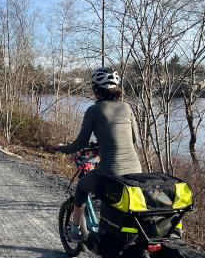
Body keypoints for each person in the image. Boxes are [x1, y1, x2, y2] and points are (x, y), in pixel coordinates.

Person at [53, 67, 142, 242]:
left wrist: (62, 148)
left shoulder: (94, 110)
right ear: (117, 88)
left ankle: (75, 231)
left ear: (96, 89)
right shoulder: (127, 107)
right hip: (135, 171)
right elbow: (134, 140)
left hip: (110, 172)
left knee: (82, 186)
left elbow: (80, 143)